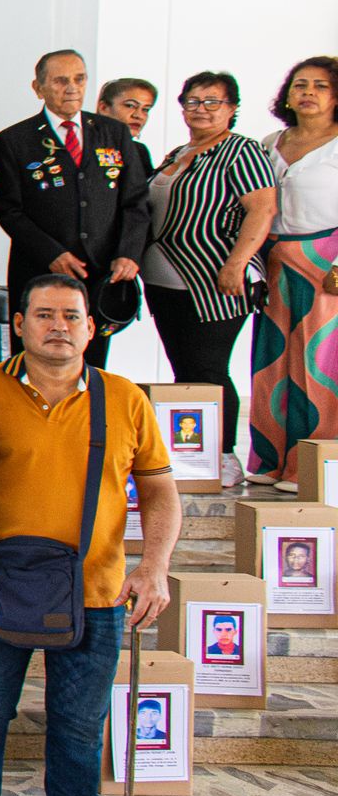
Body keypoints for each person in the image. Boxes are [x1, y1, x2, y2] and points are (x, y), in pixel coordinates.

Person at [0, 274, 179, 796]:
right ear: (18, 324)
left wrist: (154, 565)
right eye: (44, 315)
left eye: (71, 316)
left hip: (96, 590)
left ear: (91, 328)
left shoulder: (124, 398)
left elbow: (160, 489)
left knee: (79, 725)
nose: (58, 326)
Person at [143, 72, 275, 488]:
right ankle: (191, 457)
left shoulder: (241, 151)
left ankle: (223, 455)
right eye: (193, 101)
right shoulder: (178, 153)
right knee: (185, 372)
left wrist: (237, 263)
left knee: (209, 369)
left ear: (232, 108)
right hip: (165, 281)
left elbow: (262, 209)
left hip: (215, 280)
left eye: (212, 102)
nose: (201, 109)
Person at [0, 49, 148, 368]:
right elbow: (8, 209)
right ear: (38, 88)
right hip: (40, 268)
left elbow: (135, 201)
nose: (72, 88)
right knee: (34, 360)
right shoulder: (14, 139)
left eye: (79, 79)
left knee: (92, 365)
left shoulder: (113, 132)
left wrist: (128, 253)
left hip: (101, 272)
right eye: (61, 81)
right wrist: (51, 253)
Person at [250, 57, 338, 491]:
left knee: (317, 365)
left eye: (320, 85)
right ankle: (269, 460)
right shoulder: (270, 142)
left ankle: (308, 468)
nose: (308, 92)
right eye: (300, 84)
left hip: (325, 260)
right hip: (272, 259)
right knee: (271, 362)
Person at [98, 77, 158, 169]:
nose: (139, 116)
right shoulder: (85, 144)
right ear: (104, 108)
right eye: (130, 105)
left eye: (145, 109)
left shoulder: (140, 151)